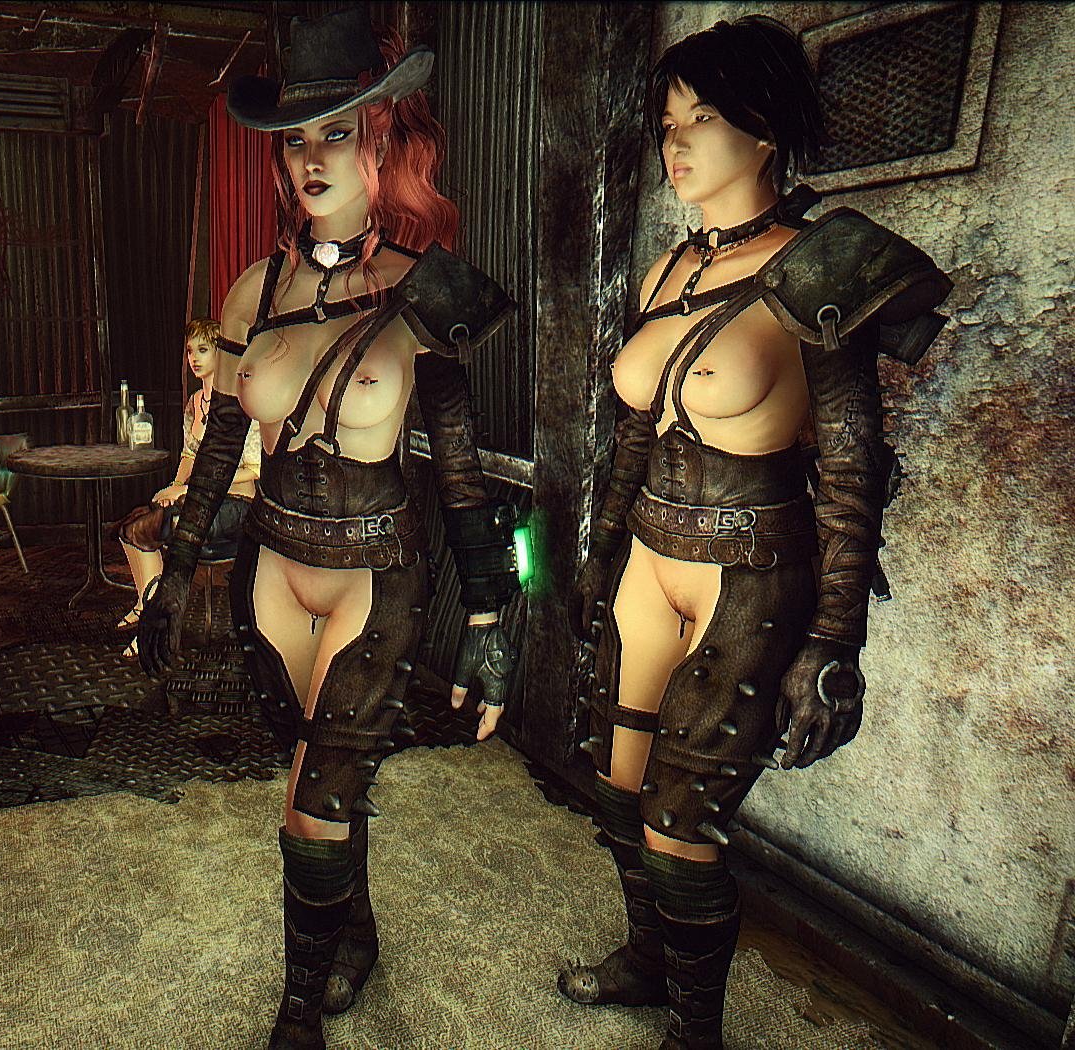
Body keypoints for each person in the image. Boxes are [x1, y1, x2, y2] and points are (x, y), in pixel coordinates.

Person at [558, 18, 951, 1049]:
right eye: (668, 123)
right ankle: (648, 959)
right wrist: (601, 551)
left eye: (703, 118)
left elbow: (853, 471)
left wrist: (833, 641)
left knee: (682, 824)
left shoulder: (825, 269)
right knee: (619, 791)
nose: (677, 142)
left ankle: (697, 1030)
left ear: (766, 129)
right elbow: (634, 437)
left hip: (750, 573)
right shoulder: (665, 271)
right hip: (649, 558)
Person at [136, 9, 522, 1049]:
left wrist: (491, 613)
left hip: (373, 576)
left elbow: (459, 469)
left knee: (311, 806)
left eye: (337, 133)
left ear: (381, 140)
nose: (311, 160)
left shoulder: (427, 288)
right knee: (320, 785)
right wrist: (173, 575)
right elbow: (220, 450)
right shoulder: (252, 292)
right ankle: (356, 933)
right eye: (296, 141)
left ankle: (297, 1016)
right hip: (271, 568)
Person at [112, 318, 262, 659]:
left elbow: (253, 470)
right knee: (130, 527)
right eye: (190, 350)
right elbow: (189, 455)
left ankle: (155, 626)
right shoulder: (195, 402)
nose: (194, 358)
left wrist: (187, 491)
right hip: (199, 498)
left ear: (221, 354)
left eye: (203, 350)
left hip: (236, 504)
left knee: (155, 526)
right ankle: (145, 606)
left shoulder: (242, 402)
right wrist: (175, 486)